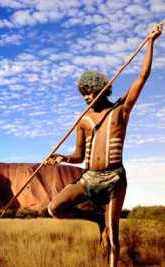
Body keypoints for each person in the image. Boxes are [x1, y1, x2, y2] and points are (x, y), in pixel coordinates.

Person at [45, 24, 162, 267]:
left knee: (113, 235)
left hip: (113, 179)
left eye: (90, 91)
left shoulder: (121, 109)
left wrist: (150, 42)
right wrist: (62, 158)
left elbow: (142, 77)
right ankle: (96, 219)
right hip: (89, 178)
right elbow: (78, 156)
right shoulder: (83, 120)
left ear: (102, 88)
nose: (87, 97)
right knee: (54, 208)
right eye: (84, 94)